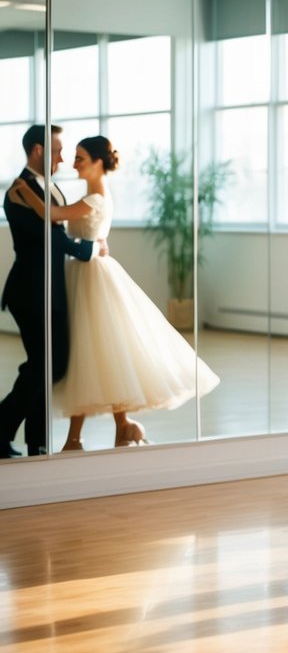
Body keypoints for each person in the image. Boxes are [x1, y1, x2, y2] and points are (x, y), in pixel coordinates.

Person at [10, 135, 219, 451]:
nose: (73, 162)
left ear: (97, 162)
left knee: (91, 351)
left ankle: (85, 436)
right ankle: (118, 427)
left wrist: (25, 192)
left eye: (80, 157)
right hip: (82, 273)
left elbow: (52, 217)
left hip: (92, 277)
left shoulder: (95, 198)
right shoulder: (89, 195)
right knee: (92, 354)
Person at [0, 125, 101, 458]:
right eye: (57, 150)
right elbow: (49, 237)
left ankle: (37, 445)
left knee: (45, 366)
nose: (62, 157)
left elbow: (58, 221)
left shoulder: (48, 187)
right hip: (30, 291)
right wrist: (86, 250)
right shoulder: (18, 189)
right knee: (47, 365)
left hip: (50, 291)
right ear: (38, 151)